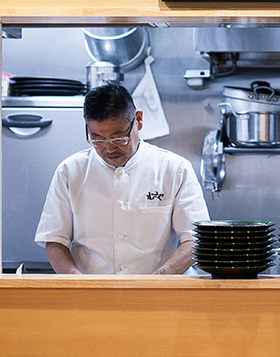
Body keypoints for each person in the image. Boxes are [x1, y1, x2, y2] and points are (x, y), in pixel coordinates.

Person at [35, 81, 209, 274]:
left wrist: (160, 278)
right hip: (91, 294)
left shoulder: (175, 169)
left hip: (159, 292)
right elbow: (54, 240)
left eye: (119, 138)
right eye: (98, 139)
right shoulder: (70, 171)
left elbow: (195, 239)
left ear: (139, 120)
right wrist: (77, 282)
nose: (109, 148)